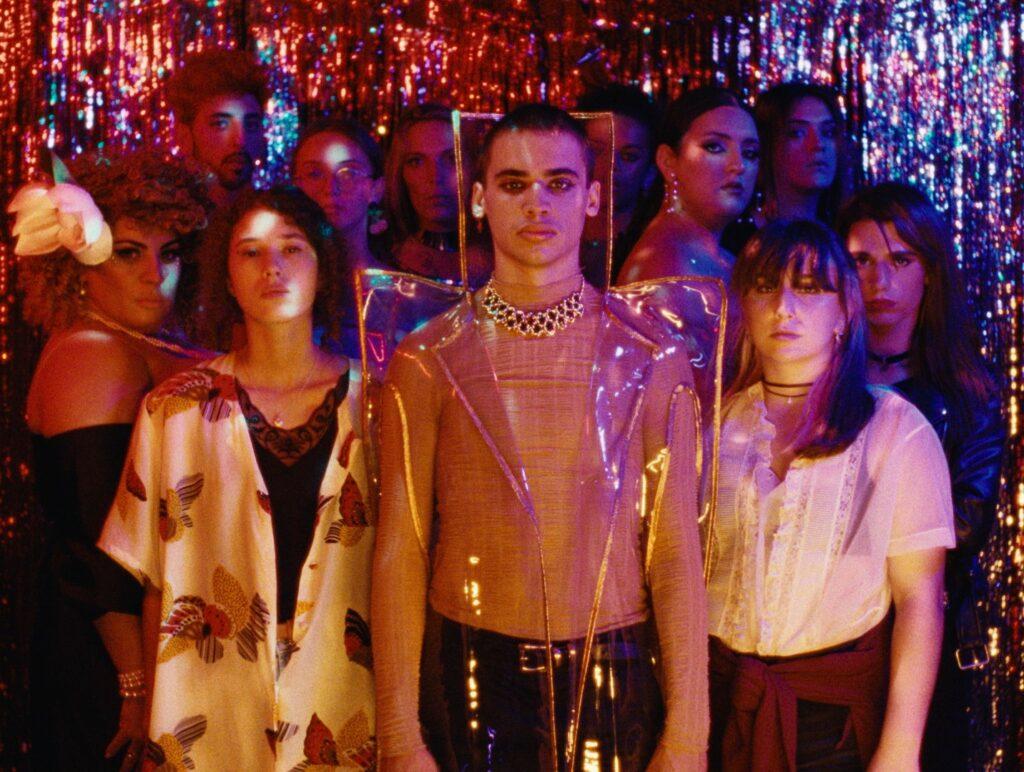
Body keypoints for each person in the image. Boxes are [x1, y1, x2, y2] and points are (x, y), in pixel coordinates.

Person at [372, 104, 708, 770]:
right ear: (479, 198)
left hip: (615, 673)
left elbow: (674, 549)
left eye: (558, 183)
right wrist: (398, 734)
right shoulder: (427, 357)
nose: (537, 203)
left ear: (592, 198)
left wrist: (688, 736)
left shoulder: (652, 354)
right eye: (514, 183)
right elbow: (401, 549)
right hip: (471, 674)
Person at [97, 187, 375, 769]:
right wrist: (147, 710)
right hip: (208, 707)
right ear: (226, 276)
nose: (272, 267)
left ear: (323, 267)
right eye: (250, 252)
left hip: (347, 703)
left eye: (291, 248)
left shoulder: (378, 404)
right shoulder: (174, 409)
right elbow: (154, 579)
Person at [707, 219, 955, 769]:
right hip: (722, 704)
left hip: (831, 720)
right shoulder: (715, 426)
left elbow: (920, 599)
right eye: (766, 286)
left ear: (845, 311)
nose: (784, 307)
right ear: (744, 304)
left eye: (810, 287)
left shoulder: (894, 430)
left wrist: (900, 748)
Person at [10, 149, 211, 770]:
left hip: (167, 631)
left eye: (169, 252)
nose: (154, 273)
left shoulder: (140, 342)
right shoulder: (94, 352)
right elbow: (93, 539)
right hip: (114, 650)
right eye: (128, 253)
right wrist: (136, 684)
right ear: (78, 261)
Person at [838, 183, 1004, 770]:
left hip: (922, 640)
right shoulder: (815, 378)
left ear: (929, 271)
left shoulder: (968, 393)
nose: (879, 281)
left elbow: (963, 527)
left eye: (900, 260)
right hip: (821, 645)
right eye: (861, 261)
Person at [617, 86, 759, 285]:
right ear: (668, 161)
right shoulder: (663, 268)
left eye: (750, 153)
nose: (739, 165)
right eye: (714, 147)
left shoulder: (722, 258)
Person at [293, 116, 388, 355]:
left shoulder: (401, 293)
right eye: (315, 174)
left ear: (376, 188)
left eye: (348, 173)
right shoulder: (281, 288)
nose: (331, 188)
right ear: (296, 187)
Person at [721, 82, 849, 255]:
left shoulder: (845, 237)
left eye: (828, 132)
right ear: (766, 144)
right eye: (797, 133)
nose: (818, 144)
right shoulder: (734, 242)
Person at [384, 102, 492, 286]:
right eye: (416, 161)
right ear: (400, 172)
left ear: (474, 165)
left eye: (451, 159)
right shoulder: (383, 265)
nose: (435, 177)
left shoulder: (511, 260)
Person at [575, 83, 659, 287]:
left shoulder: (658, 247)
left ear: (651, 169)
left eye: (629, 156)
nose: (611, 166)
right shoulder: (546, 230)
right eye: (597, 151)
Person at [167, 47, 268, 210]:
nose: (240, 141)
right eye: (221, 124)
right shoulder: (163, 219)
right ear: (184, 136)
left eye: (250, 125)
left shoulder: (276, 219)